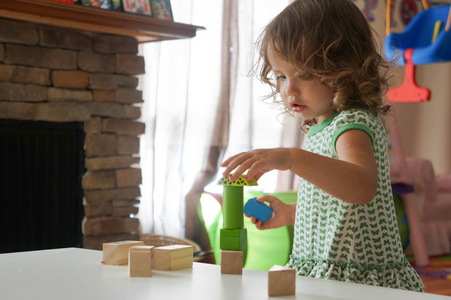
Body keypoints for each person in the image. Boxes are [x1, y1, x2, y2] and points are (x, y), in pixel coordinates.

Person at [220, 0, 425, 292]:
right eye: (281, 76)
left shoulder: (352, 125)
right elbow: (335, 204)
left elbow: (361, 187)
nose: (289, 89)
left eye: (304, 74)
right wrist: (292, 213)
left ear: (343, 69)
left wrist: (291, 157)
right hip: (327, 272)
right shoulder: (319, 128)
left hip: (356, 280)